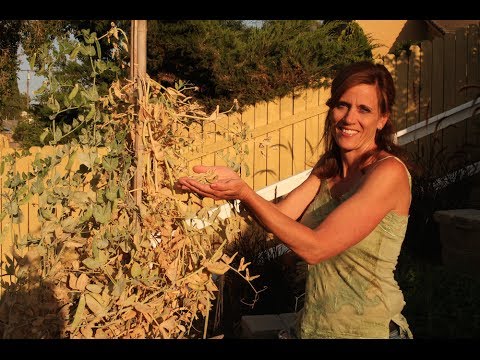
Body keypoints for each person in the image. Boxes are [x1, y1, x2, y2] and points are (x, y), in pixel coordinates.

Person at [175, 61, 414, 339]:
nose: (349, 118)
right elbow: (281, 218)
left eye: (364, 109)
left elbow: (316, 247)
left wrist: (245, 193)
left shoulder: (388, 173)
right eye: (342, 105)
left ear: (382, 119)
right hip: (314, 327)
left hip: (369, 331)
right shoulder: (329, 168)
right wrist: (233, 188)